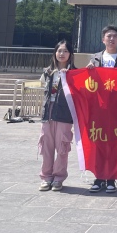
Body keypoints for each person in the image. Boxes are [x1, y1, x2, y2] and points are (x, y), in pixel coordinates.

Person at [86, 25, 117, 193]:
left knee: (114, 143)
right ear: (103, 39)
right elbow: (88, 83)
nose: (111, 39)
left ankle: (111, 178)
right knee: (99, 142)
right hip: (99, 107)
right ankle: (99, 177)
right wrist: (89, 71)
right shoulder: (95, 58)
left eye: (115, 36)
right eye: (109, 36)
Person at [38, 40, 76, 192]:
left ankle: (59, 178)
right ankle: (46, 177)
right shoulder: (48, 72)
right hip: (48, 112)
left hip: (64, 112)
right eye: (59, 51)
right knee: (46, 145)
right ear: (55, 53)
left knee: (62, 146)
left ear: (70, 54)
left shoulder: (74, 73)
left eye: (65, 51)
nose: (62, 54)